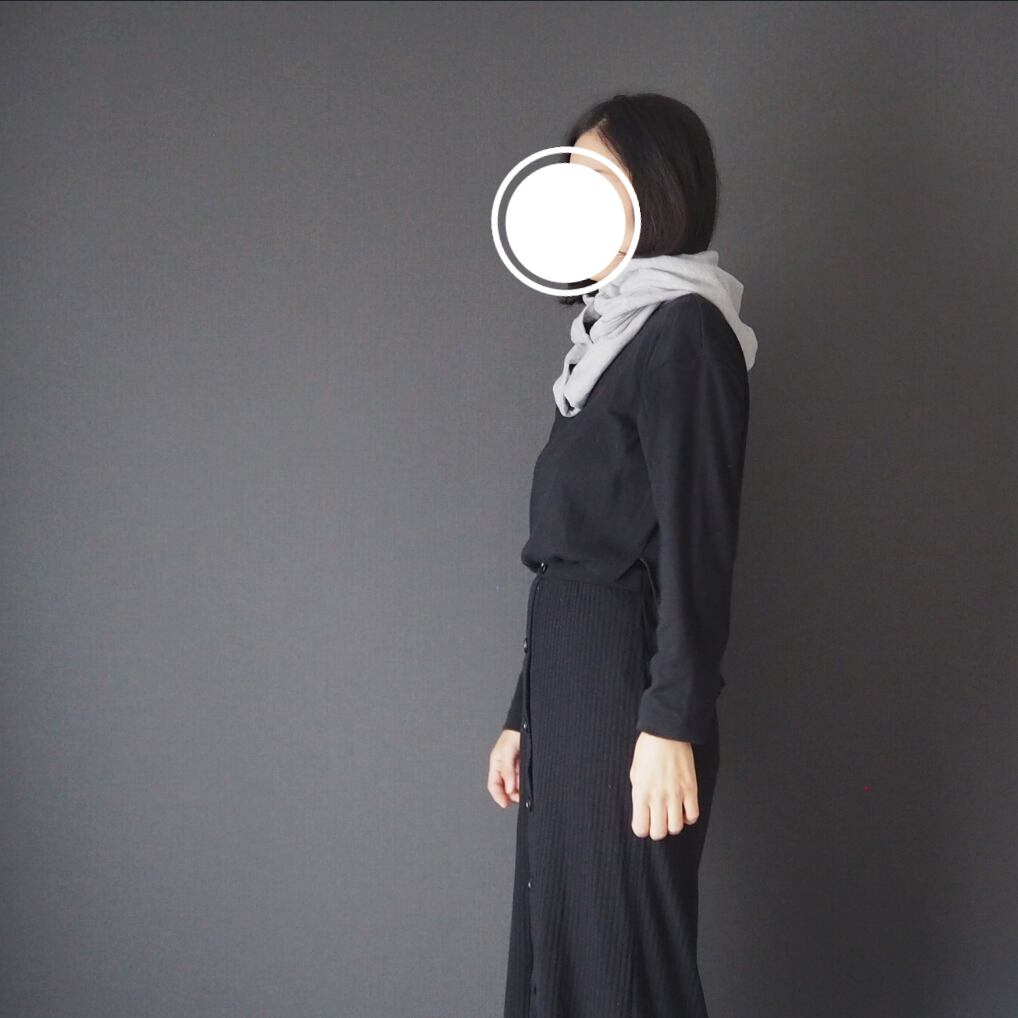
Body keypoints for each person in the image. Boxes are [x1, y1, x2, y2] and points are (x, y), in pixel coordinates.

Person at [485, 92, 758, 1018]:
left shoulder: (686, 333)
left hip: (627, 691)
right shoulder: (605, 343)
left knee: (623, 953)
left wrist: (672, 721)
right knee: (560, 936)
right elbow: (574, 553)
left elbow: (697, 544)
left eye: (600, 178)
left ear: (659, 187)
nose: (575, 200)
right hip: (569, 684)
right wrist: (523, 714)